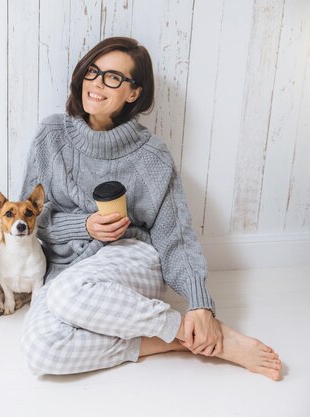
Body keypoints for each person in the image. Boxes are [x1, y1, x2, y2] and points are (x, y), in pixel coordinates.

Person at [18, 37, 281, 380]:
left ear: (133, 93)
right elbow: (24, 221)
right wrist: (85, 226)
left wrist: (200, 305)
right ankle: (185, 338)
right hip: (69, 268)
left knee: (69, 295)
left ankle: (202, 329)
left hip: (131, 257)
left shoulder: (151, 156)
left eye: (113, 77)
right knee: (42, 351)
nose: (97, 83)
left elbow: (177, 238)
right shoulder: (51, 135)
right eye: (93, 72)